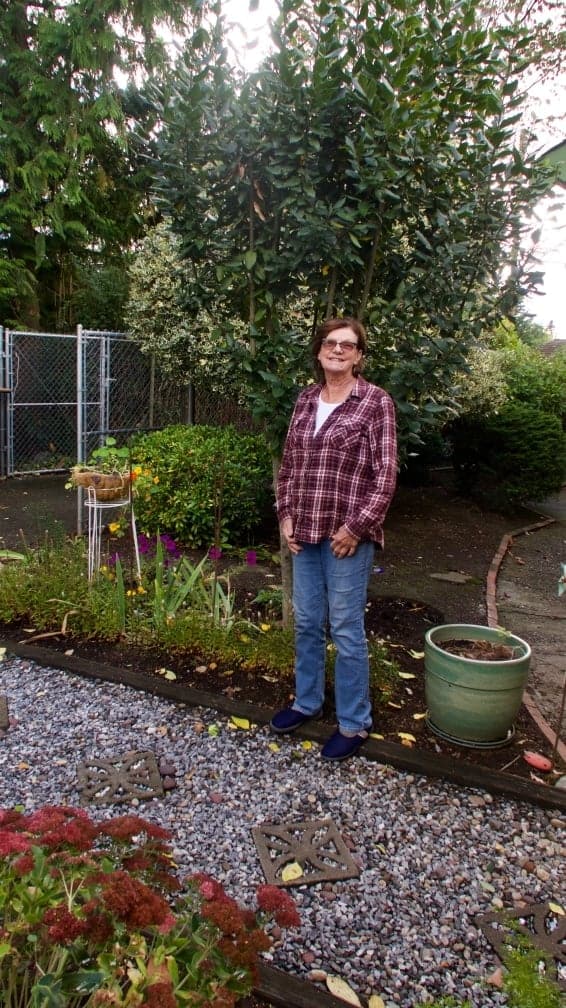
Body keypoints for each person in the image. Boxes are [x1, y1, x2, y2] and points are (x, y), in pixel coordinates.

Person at [270, 316, 398, 761]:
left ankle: (354, 723)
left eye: (348, 344)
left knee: (345, 628)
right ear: (320, 351)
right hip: (304, 531)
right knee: (306, 621)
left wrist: (356, 528)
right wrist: (285, 516)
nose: (338, 350)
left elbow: (385, 478)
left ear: (359, 355)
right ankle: (306, 702)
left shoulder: (375, 402)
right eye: (331, 343)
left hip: (347, 537)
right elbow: (288, 467)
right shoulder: (306, 400)